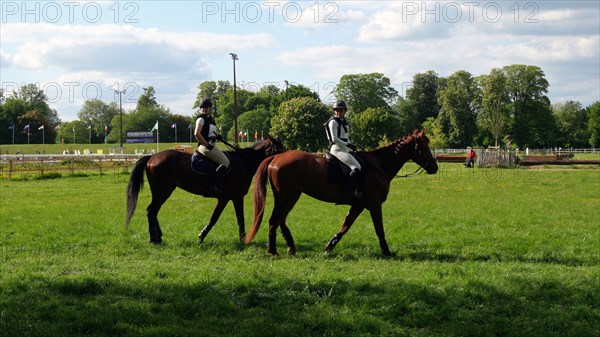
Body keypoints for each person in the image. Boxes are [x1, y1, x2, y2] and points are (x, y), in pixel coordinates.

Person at [325, 100, 362, 198]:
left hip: (344, 148)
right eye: (336, 110)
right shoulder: (333, 122)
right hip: (336, 149)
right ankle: (348, 191)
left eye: (340, 110)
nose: (338, 112)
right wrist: (348, 145)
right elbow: (334, 139)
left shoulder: (344, 122)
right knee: (356, 167)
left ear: (344, 111)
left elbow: (346, 137)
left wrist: (351, 144)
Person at [194, 98, 229, 194]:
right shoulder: (201, 119)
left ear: (210, 108)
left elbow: (211, 134)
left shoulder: (211, 120)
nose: (204, 109)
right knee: (225, 162)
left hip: (211, 145)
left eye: (207, 107)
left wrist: (217, 136)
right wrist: (206, 144)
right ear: (200, 109)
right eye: (202, 107)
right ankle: (213, 185)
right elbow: (197, 134)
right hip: (204, 147)